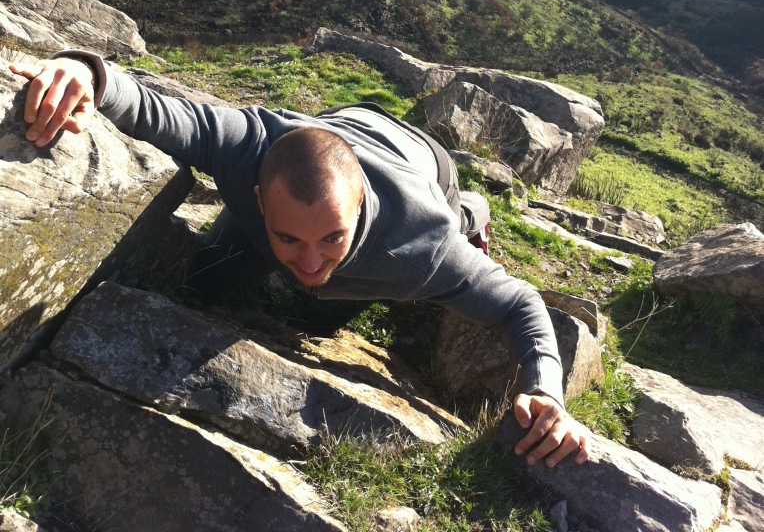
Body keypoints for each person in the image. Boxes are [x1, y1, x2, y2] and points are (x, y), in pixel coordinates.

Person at [11, 52, 589, 469]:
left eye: (332, 238)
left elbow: (519, 303)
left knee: (438, 237)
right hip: (336, 127)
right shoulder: (246, 146)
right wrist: (83, 73)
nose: (310, 265)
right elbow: (154, 109)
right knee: (210, 279)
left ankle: (473, 211)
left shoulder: (425, 244)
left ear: (358, 208)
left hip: (423, 165)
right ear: (259, 199)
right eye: (288, 238)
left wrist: (547, 391)